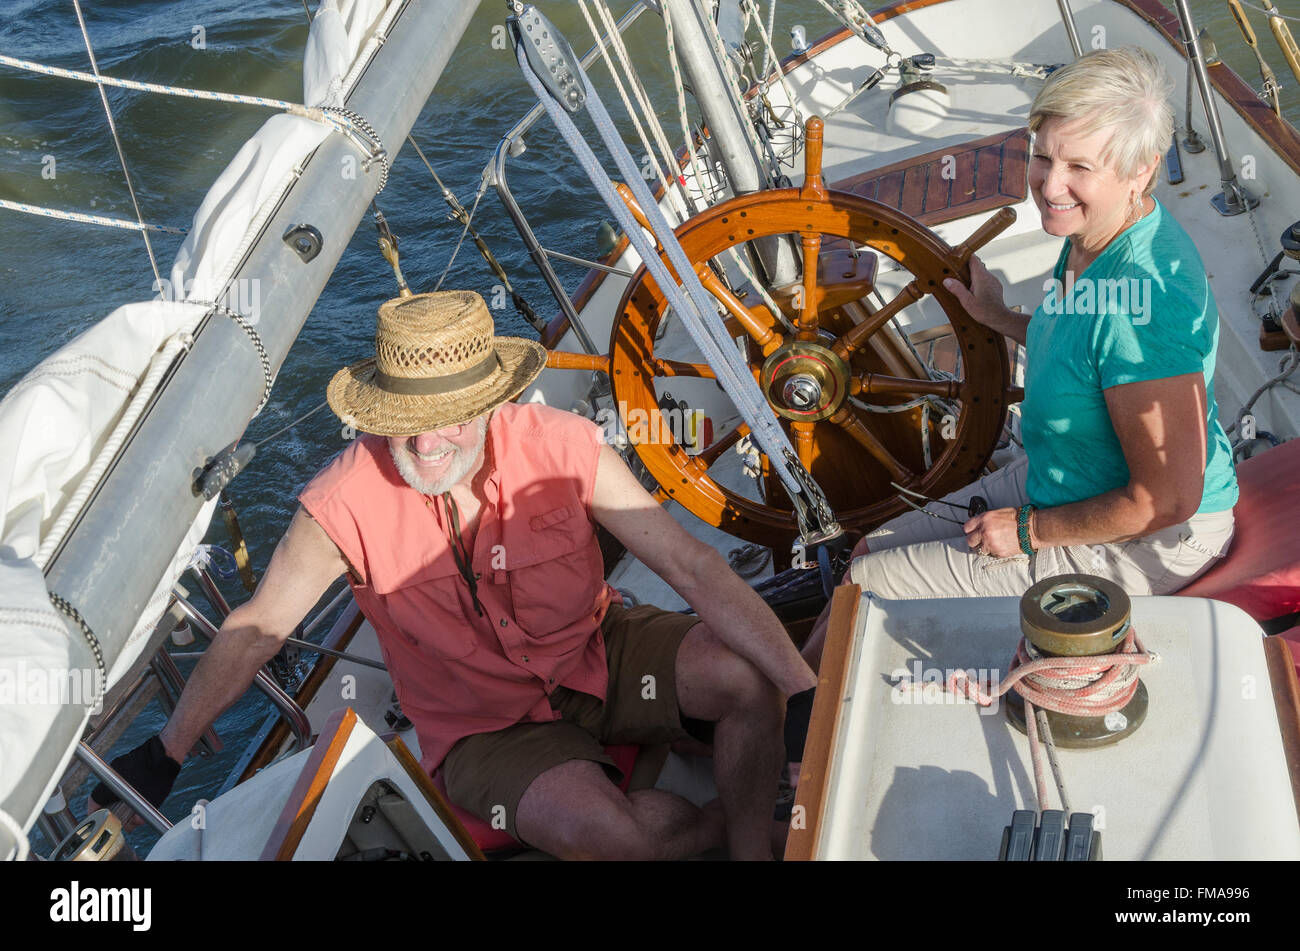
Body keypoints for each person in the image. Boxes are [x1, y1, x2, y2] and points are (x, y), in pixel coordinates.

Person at [92, 290, 816, 860]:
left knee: (748, 682)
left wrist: (801, 691)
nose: (429, 441)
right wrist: (168, 748)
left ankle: (756, 851)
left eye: (451, 416)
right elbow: (255, 629)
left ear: (490, 400)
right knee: (615, 839)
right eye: (408, 416)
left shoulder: (565, 445)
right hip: (482, 730)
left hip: (599, 650)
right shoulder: (340, 505)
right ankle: (722, 826)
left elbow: (689, 563)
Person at [803, 47, 1238, 667]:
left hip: (1147, 537)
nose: (1048, 186)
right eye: (1042, 155)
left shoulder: (1148, 305)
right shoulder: (1093, 235)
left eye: (1079, 167)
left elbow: (1165, 501)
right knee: (869, 553)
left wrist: (1030, 532)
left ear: (1140, 171)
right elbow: (1084, 352)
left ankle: (796, 737)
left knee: (863, 591)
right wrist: (1001, 320)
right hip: (1064, 477)